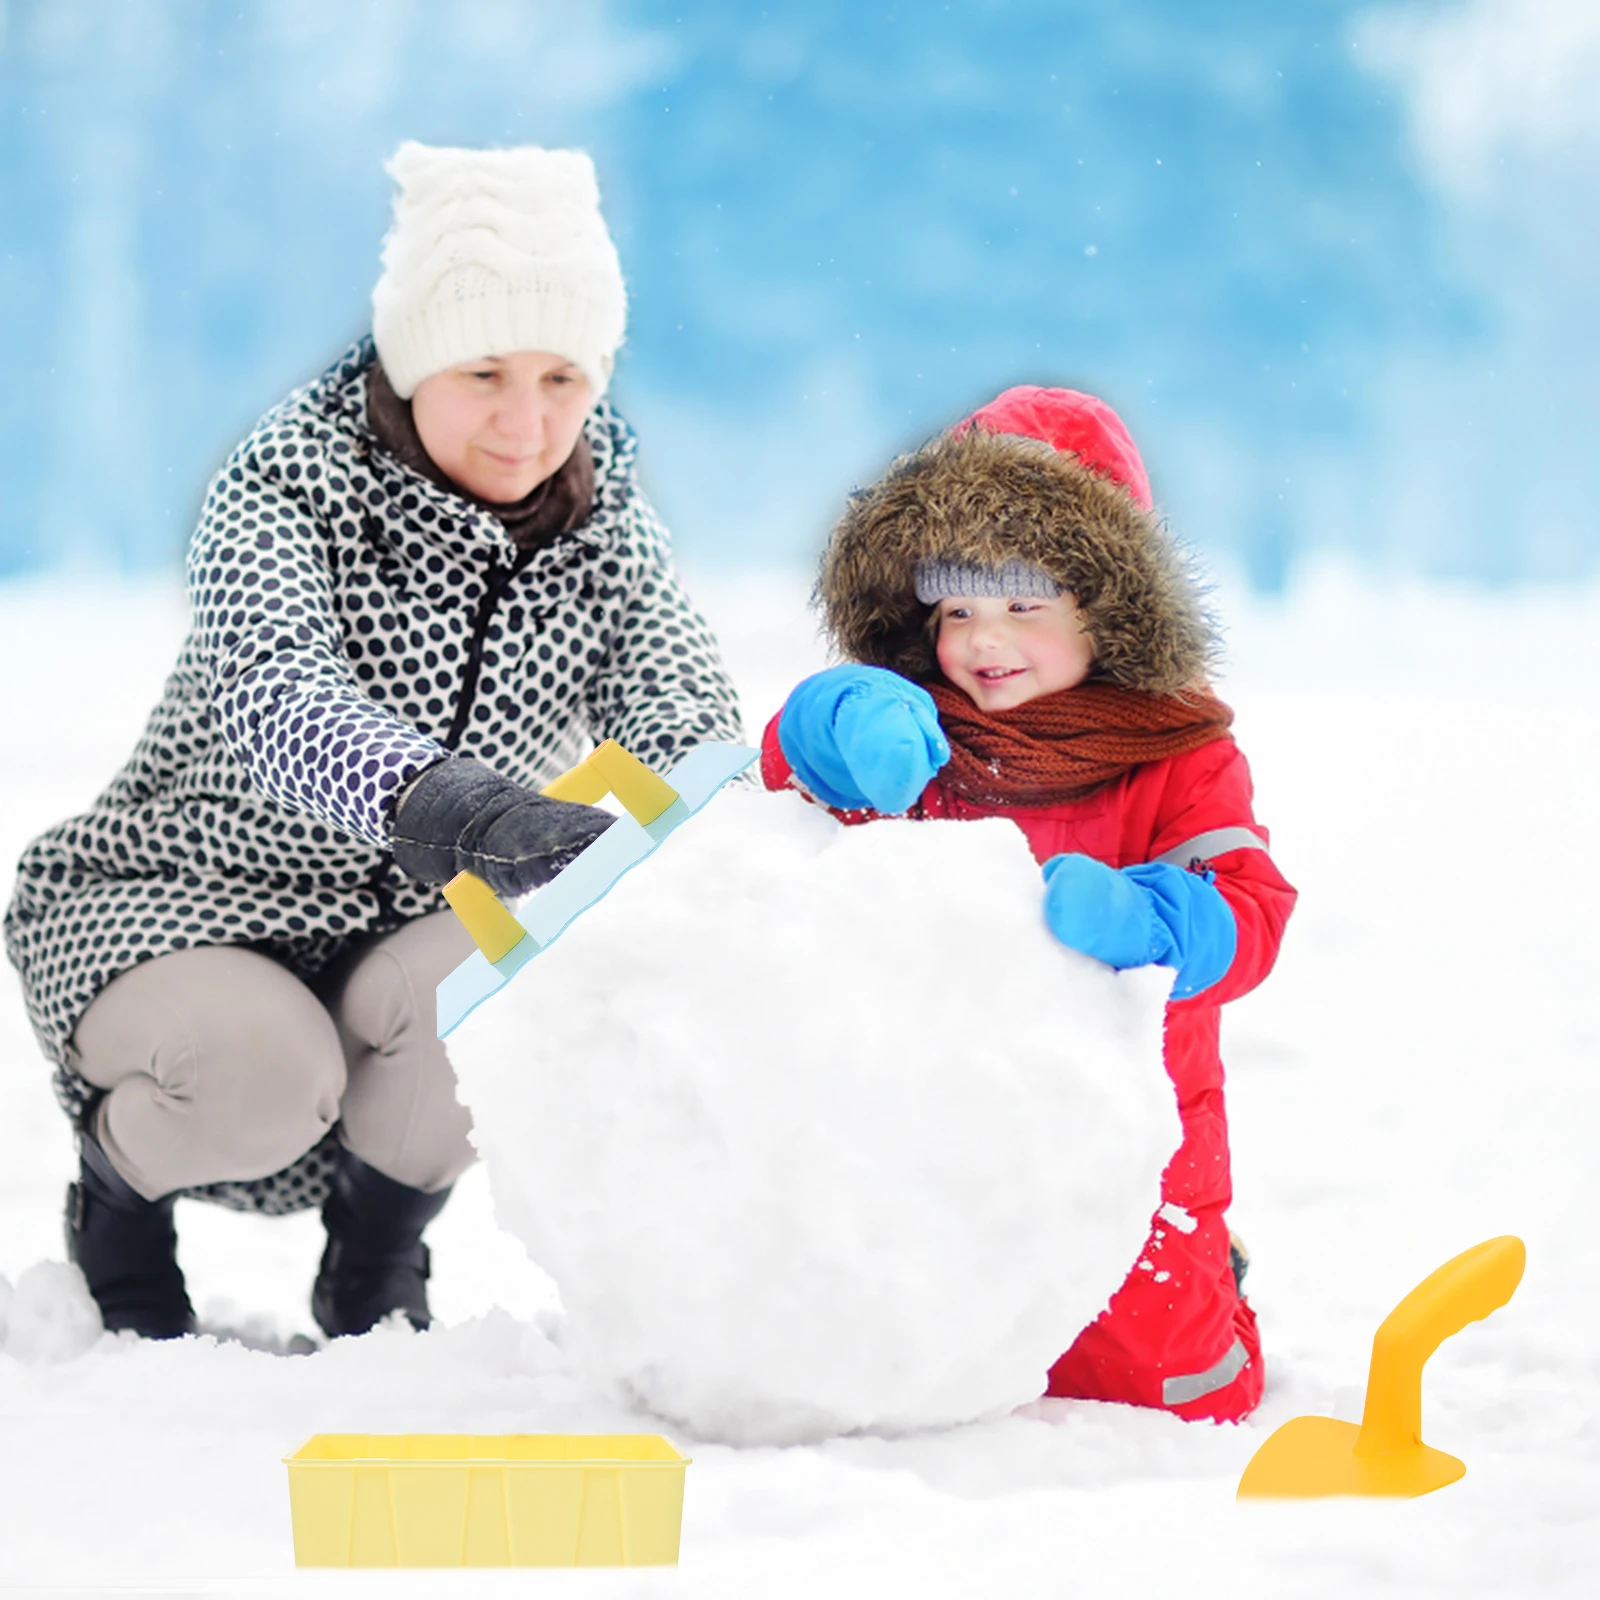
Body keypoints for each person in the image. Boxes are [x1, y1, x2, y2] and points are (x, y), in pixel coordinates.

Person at [5, 141, 743, 1342]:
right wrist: (470, 809)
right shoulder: (288, 481)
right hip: (183, 900)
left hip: (396, 924)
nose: (527, 421)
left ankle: (378, 1257)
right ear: (411, 362)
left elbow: (682, 705)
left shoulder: (600, 513)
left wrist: (693, 824)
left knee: (508, 985)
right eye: (486, 371)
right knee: (262, 1073)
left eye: (564, 376)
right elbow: (275, 693)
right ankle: (119, 1209)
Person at [761, 386, 1296, 1422]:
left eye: (1023, 604)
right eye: (957, 607)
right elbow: (776, 792)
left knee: (1164, 1386)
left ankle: (1210, 1271)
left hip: (1131, 1124)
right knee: (897, 1359)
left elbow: (1252, 911)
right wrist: (832, 720)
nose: (983, 640)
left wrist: (1156, 917)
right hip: (925, 1115)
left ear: (1106, 609)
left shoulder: (1177, 752)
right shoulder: (913, 730)